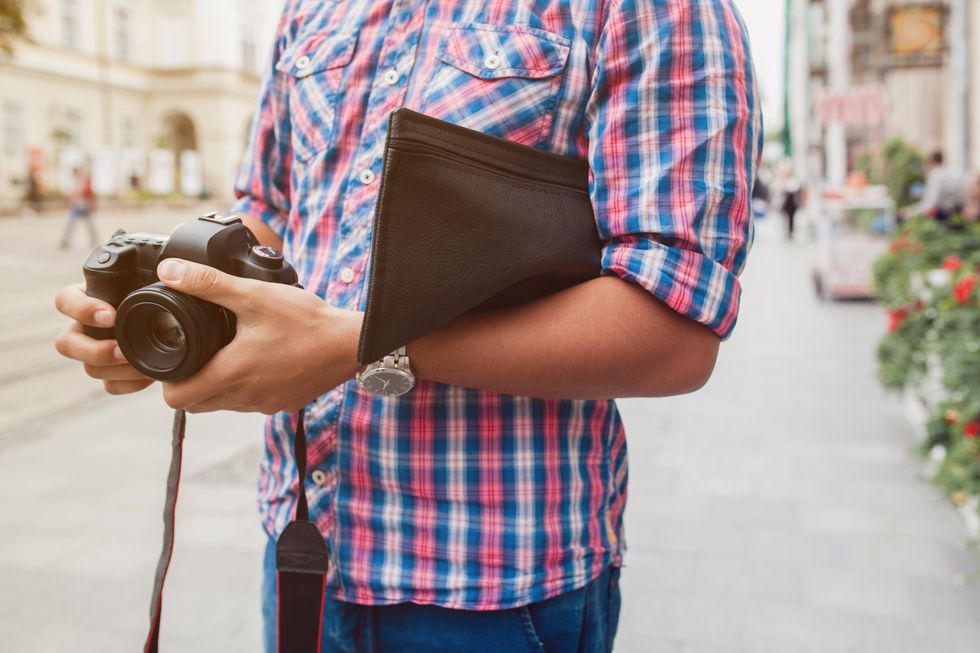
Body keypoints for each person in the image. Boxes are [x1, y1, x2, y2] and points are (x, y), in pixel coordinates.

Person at [53, 1, 762, 650]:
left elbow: (673, 329)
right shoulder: (310, 9)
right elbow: (271, 212)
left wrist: (361, 347)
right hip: (303, 546)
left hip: (496, 585)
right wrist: (170, 302)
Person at [916, 151, 964, 222]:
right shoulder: (949, 173)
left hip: (940, 215)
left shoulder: (935, 175)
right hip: (954, 212)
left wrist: (912, 212)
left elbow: (931, 203)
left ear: (932, 162)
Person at [59, 166, 98, 249]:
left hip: (84, 206)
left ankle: (94, 239)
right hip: (76, 206)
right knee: (71, 223)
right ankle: (65, 240)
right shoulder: (74, 182)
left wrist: (91, 204)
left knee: (89, 224)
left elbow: (89, 193)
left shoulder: (84, 181)